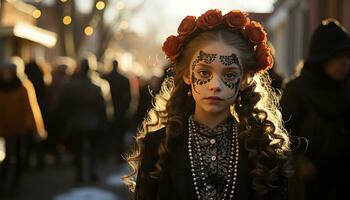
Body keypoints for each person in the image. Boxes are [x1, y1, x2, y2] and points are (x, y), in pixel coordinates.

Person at [123, 9, 292, 200]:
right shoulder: (159, 146)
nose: (215, 86)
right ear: (187, 74)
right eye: (204, 73)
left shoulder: (264, 151)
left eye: (229, 75)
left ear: (244, 79)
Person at [281, 18, 350, 200]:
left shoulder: (347, 88)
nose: (344, 63)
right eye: (338, 57)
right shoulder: (297, 90)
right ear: (322, 57)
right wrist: (298, 160)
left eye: (347, 57)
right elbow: (283, 133)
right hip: (309, 184)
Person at [0, 57, 46, 196]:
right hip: (4, 128)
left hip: (21, 128)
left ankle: (15, 185)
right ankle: (3, 184)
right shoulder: (1, 87)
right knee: (7, 157)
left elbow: (31, 108)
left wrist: (36, 128)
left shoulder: (24, 86)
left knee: (19, 156)